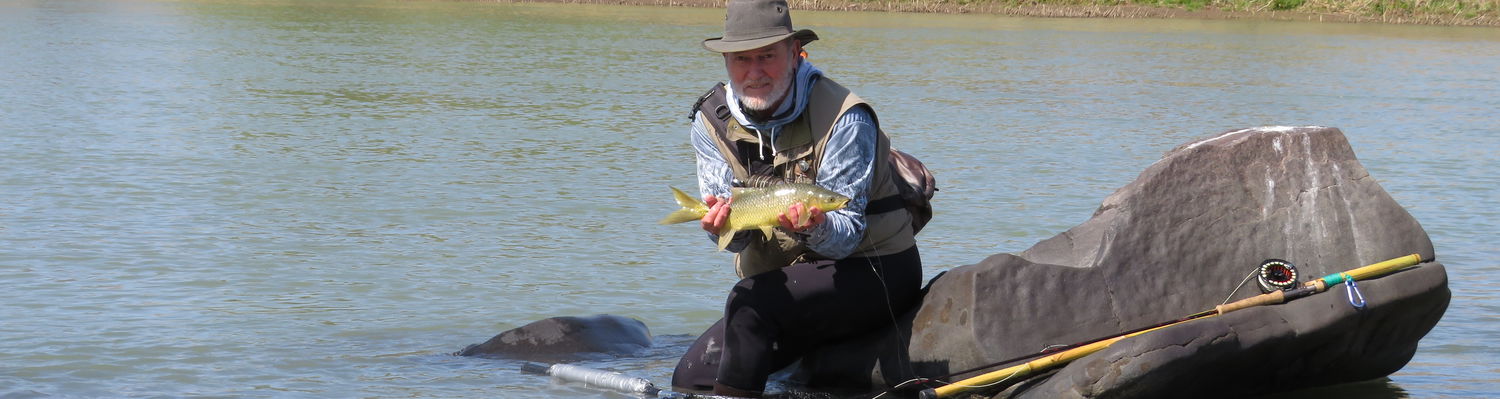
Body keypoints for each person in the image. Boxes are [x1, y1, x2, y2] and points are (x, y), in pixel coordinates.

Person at [670, 0, 924, 396]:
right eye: (741, 59)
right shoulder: (709, 123)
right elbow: (735, 240)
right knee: (690, 379)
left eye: (767, 56)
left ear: (793, 53)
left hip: (874, 267)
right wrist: (720, 227)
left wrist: (815, 226)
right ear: (726, 62)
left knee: (750, 306)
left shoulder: (844, 116)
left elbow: (846, 235)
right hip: (789, 278)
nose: (754, 72)